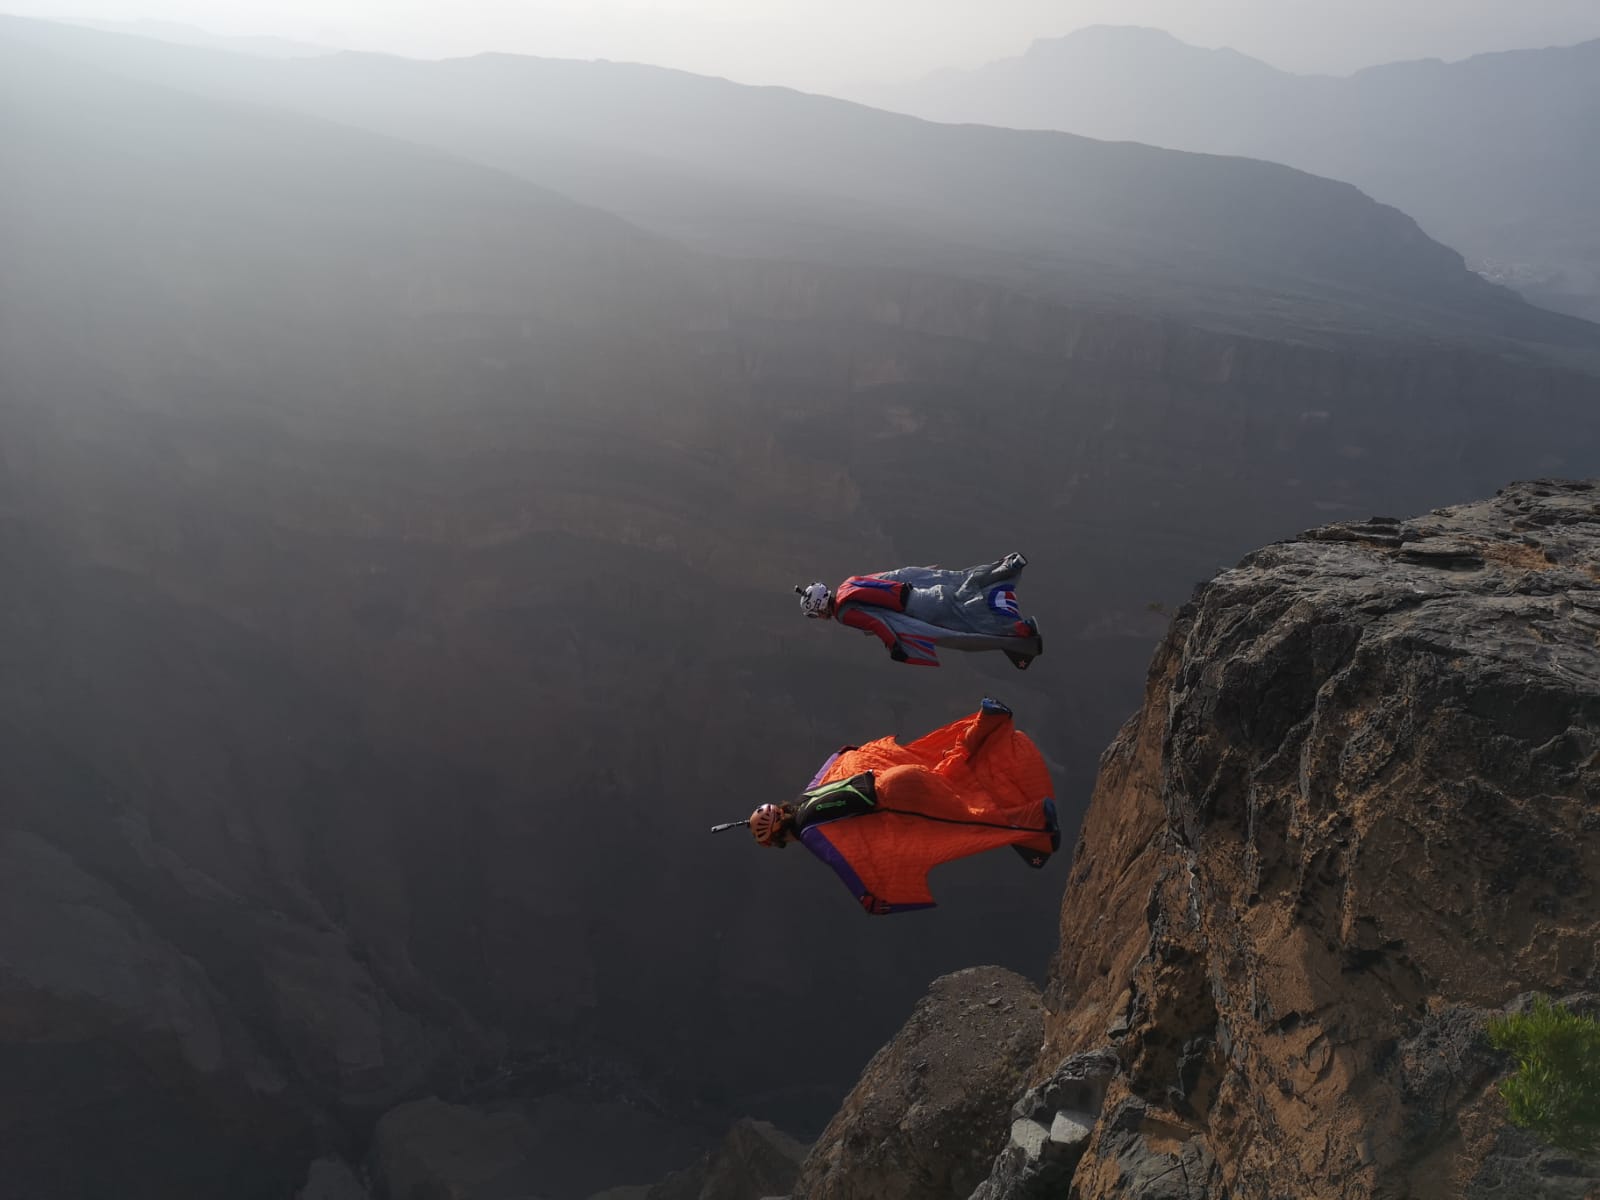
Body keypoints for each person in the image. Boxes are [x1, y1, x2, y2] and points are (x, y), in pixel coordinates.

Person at [744, 698, 1059, 914]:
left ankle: (1035, 821)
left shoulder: (812, 833)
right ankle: (986, 721)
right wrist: (844, 752)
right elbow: (834, 762)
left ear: (777, 839)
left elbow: (842, 861)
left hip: (898, 796)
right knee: (945, 769)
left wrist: (868, 897)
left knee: (962, 823)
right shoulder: (808, 795)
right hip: (890, 774)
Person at [795, 553, 1043, 669]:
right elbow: (891, 576)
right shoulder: (848, 583)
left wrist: (894, 647)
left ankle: (1019, 632)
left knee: (967, 628)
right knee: (964, 586)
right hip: (919, 591)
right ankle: (1006, 567)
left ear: (819, 609)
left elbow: (875, 623)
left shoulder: (844, 613)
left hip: (921, 609)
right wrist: (924, 572)